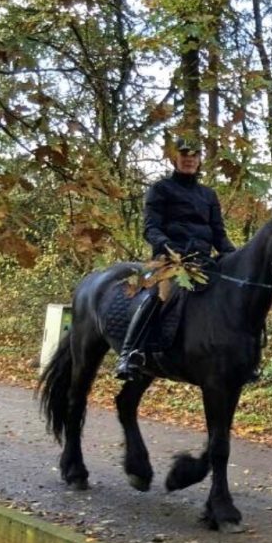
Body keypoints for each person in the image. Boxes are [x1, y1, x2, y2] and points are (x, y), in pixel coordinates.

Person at [114, 136, 237, 380]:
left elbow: (218, 233)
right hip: (169, 258)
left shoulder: (208, 195)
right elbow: (150, 228)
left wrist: (234, 255)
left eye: (194, 156)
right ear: (175, 158)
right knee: (158, 295)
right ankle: (130, 354)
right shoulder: (160, 189)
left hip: (202, 259)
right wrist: (168, 247)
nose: (189, 160)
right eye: (184, 156)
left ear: (200, 160)